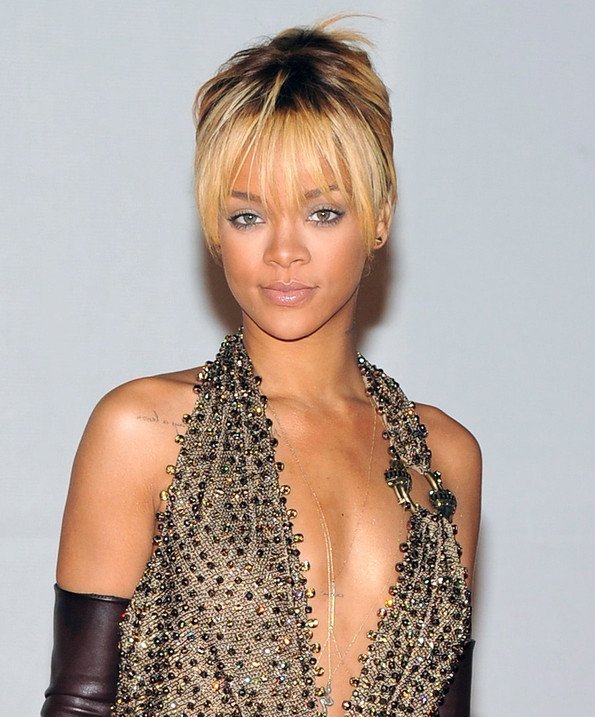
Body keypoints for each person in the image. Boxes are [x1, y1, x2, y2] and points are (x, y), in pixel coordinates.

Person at [41, 17, 481, 717]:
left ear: (380, 217)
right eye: (248, 216)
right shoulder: (142, 430)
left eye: (322, 212)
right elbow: (81, 705)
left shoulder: (445, 457)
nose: (284, 251)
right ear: (214, 229)